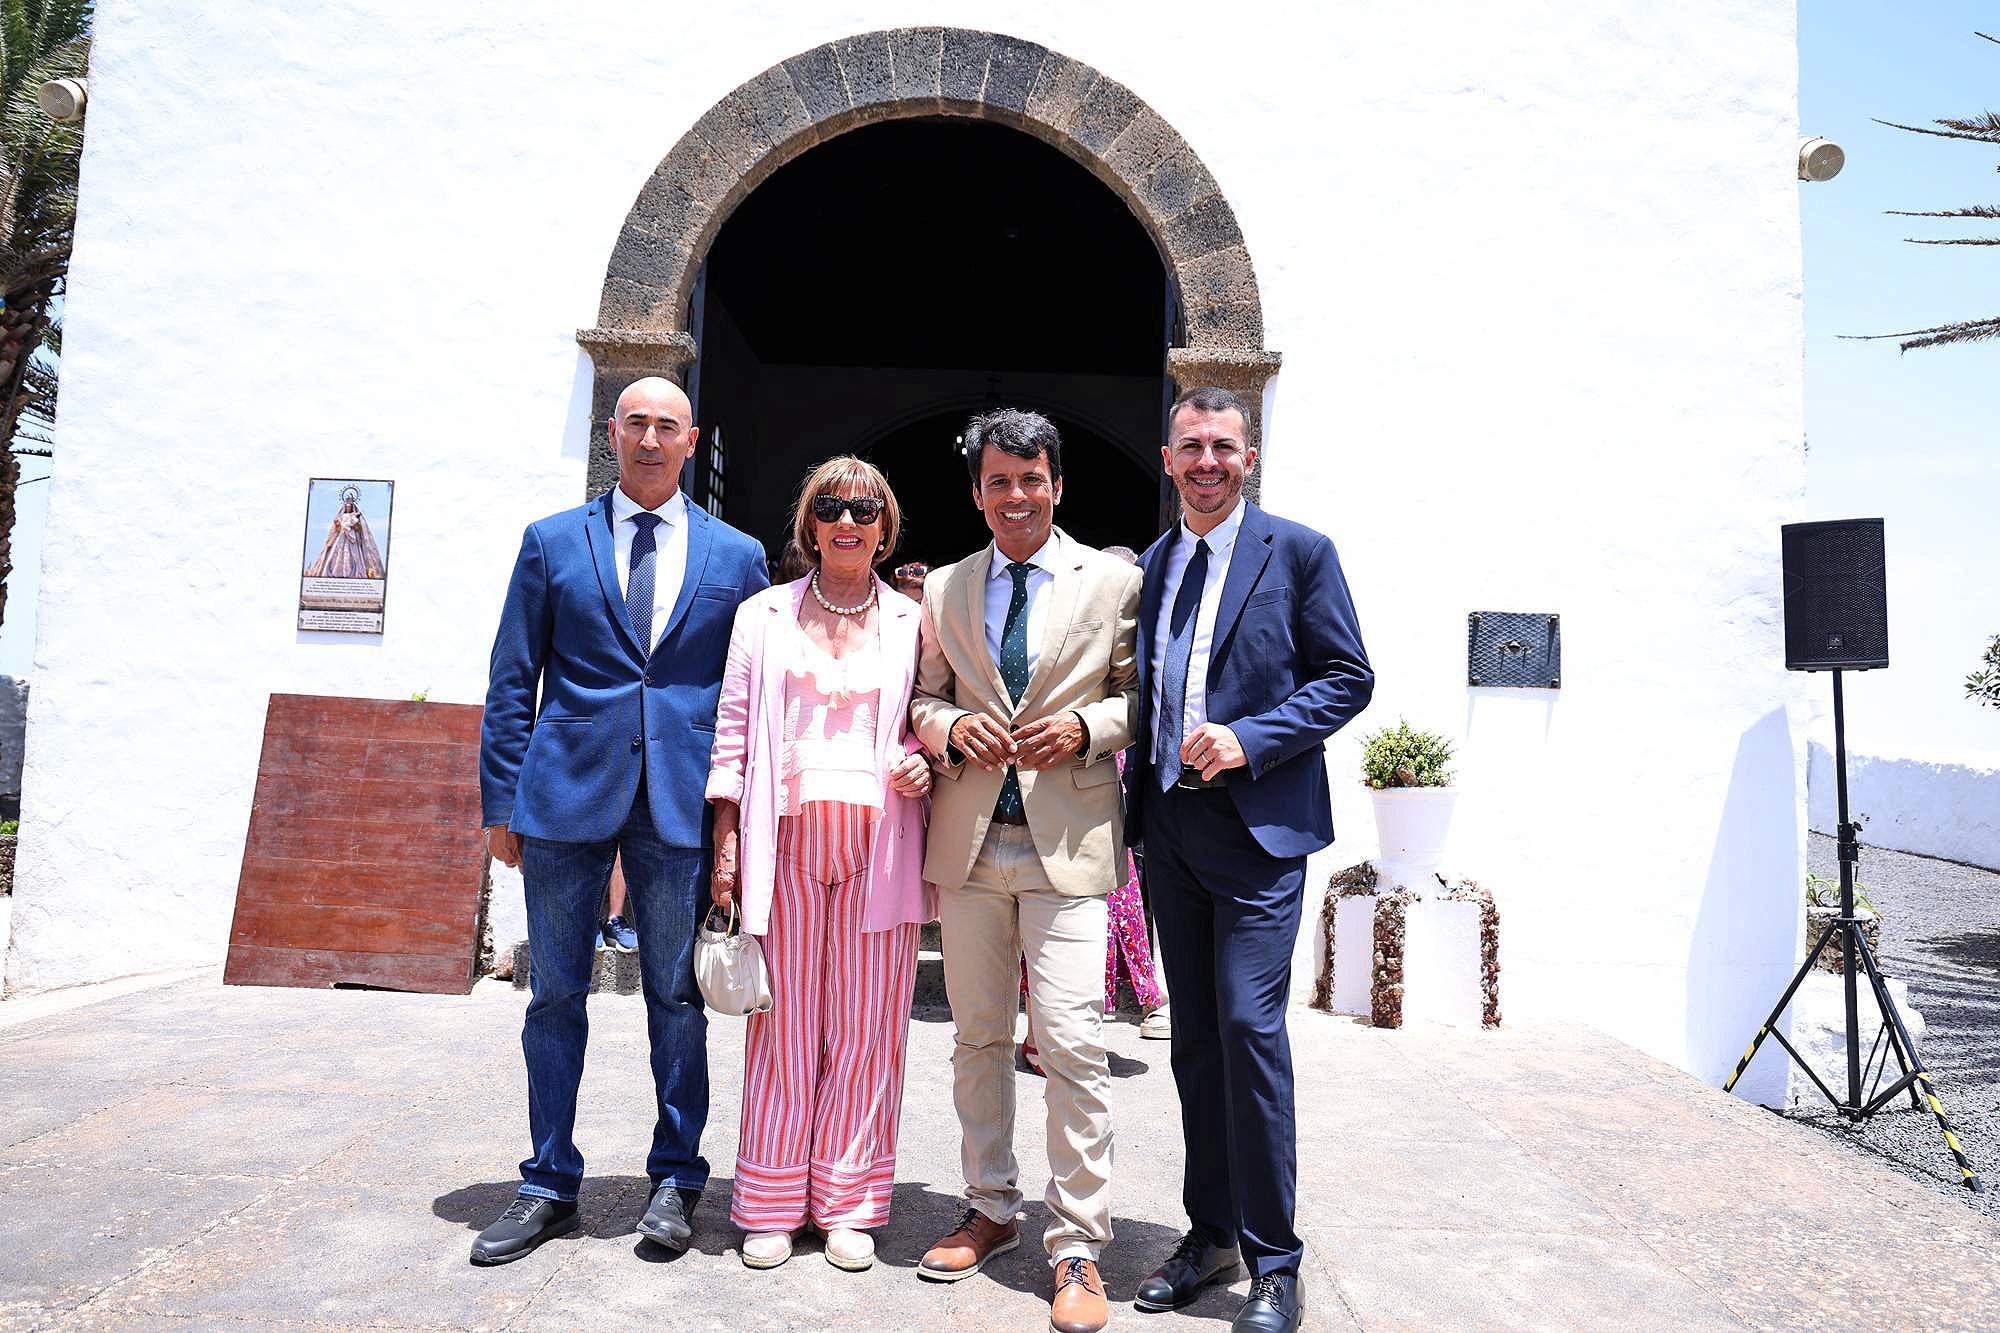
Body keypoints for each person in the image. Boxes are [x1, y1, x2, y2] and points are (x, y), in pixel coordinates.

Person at [473, 376, 769, 1266]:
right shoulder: (551, 541)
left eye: (666, 426)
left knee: (676, 997)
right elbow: (513, 677)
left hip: (679, 799)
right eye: (635, 422)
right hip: (564, 797)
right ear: (612, 431)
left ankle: (676, 1177)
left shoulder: (737, 555)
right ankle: (547, 1181)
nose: (649, 438)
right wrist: (499, 803)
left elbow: (750, 693)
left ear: (691, 440)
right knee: (554, 994)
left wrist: (742, 816)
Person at [1125, 387, 1372, 1332]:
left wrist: (1251, 738)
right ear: (1167, 458)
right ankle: (1210, 1235)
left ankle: (1276, 1263)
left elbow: (1348, 676)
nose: (1207, 461)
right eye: (1191, 445)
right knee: (1193, 1039)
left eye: (1223, 446)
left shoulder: (1299, 552)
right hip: (1170, 830)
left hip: (1259, 834)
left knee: (1248, 1027)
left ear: (1249, 457)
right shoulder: (1153, 564)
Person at [909, 409, 1140, 1333]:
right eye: (999, 481)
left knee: (1073, 1042)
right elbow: (923, 696)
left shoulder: (1112, 581)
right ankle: (990, 1205)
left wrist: (1086, 727)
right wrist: (947, 726)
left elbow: (1142, 696)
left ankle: (1077, 1242)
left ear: (1058, 484)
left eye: (1031, 479)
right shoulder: (946, 587)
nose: (1017, 496)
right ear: (977, 493)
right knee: (976, 1037)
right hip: (971, 844)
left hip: (1067, 847)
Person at [706, 457, 935, 1273]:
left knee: (868, 1027)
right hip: (786, 837)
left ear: (885, 528)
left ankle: (847, 1203)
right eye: (831, 507)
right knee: (785, 1024)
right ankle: (771, 1202)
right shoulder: (763, 615)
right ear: (810, 523)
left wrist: (923, 758)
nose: (847, 521)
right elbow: (734, 730)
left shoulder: (913, 619)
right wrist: (727, 843)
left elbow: (929, 715)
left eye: (865, 511)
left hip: (881, 840)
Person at [304, 487, 385, 579]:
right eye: (346, 506)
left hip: (351, 537)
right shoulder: (341, 516)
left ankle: (354, 573)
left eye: (349, 506)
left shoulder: (354, 516)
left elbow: (358, 527)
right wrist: (339, 525)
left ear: (352, 507)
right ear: (344, 507)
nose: (348, 508)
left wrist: (353, 525)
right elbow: (337, 527)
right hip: (342, 536)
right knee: (337, 552)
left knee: (353, 554)